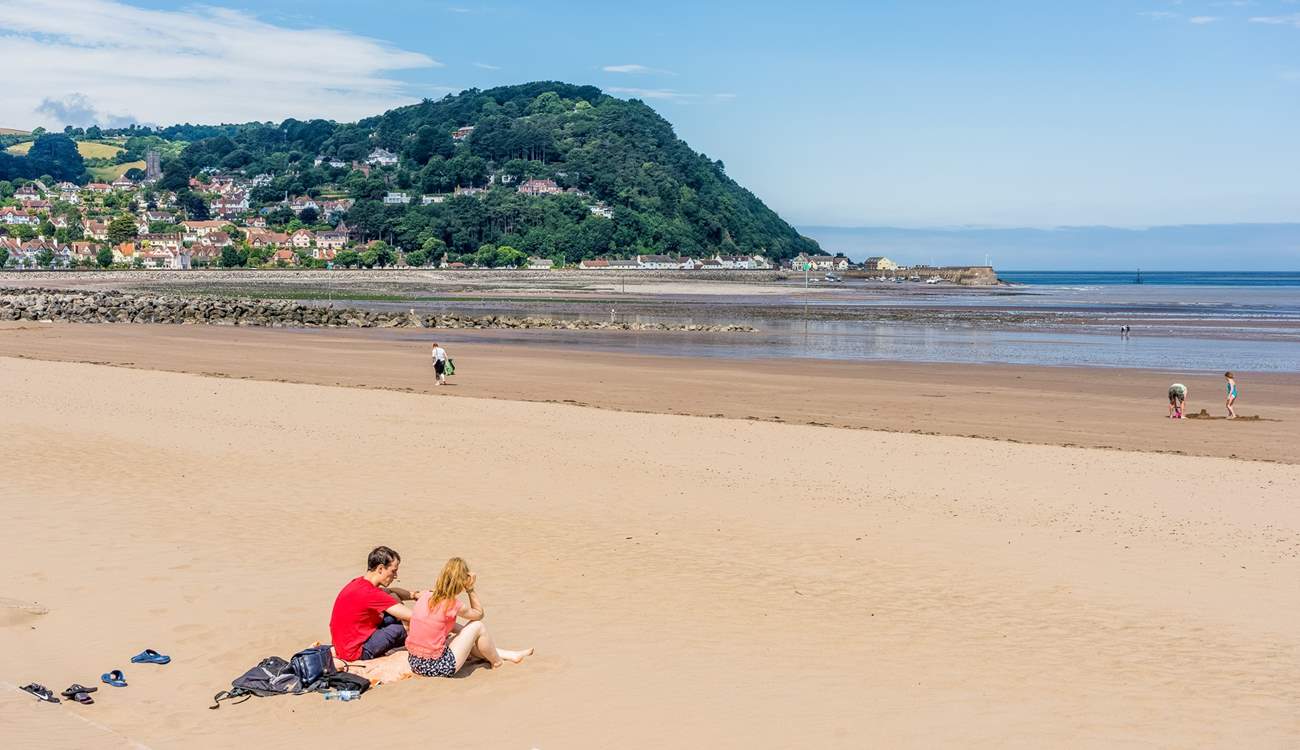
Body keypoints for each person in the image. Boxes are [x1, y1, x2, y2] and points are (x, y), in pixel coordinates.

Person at [403, 557, 532, 678]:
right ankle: (497, 663)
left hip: (416, 662)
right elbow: (478, 614)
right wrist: (470, 589)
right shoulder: (451, 604)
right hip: (436, 667)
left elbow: (444, 626)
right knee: (478, 627)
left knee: (469, 635)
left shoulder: (426, 596)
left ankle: (511, 655)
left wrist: (467, 634)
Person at [329, 546, 416, 662]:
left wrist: (415, 595)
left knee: (391, 617)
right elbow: (412, 616)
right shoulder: (370, 593)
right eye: (393, 571)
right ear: (380, 569)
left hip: (343, 646)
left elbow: (390, 592)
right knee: (401, 629)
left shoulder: (358, 582)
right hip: (356, 653)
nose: (395, 576)